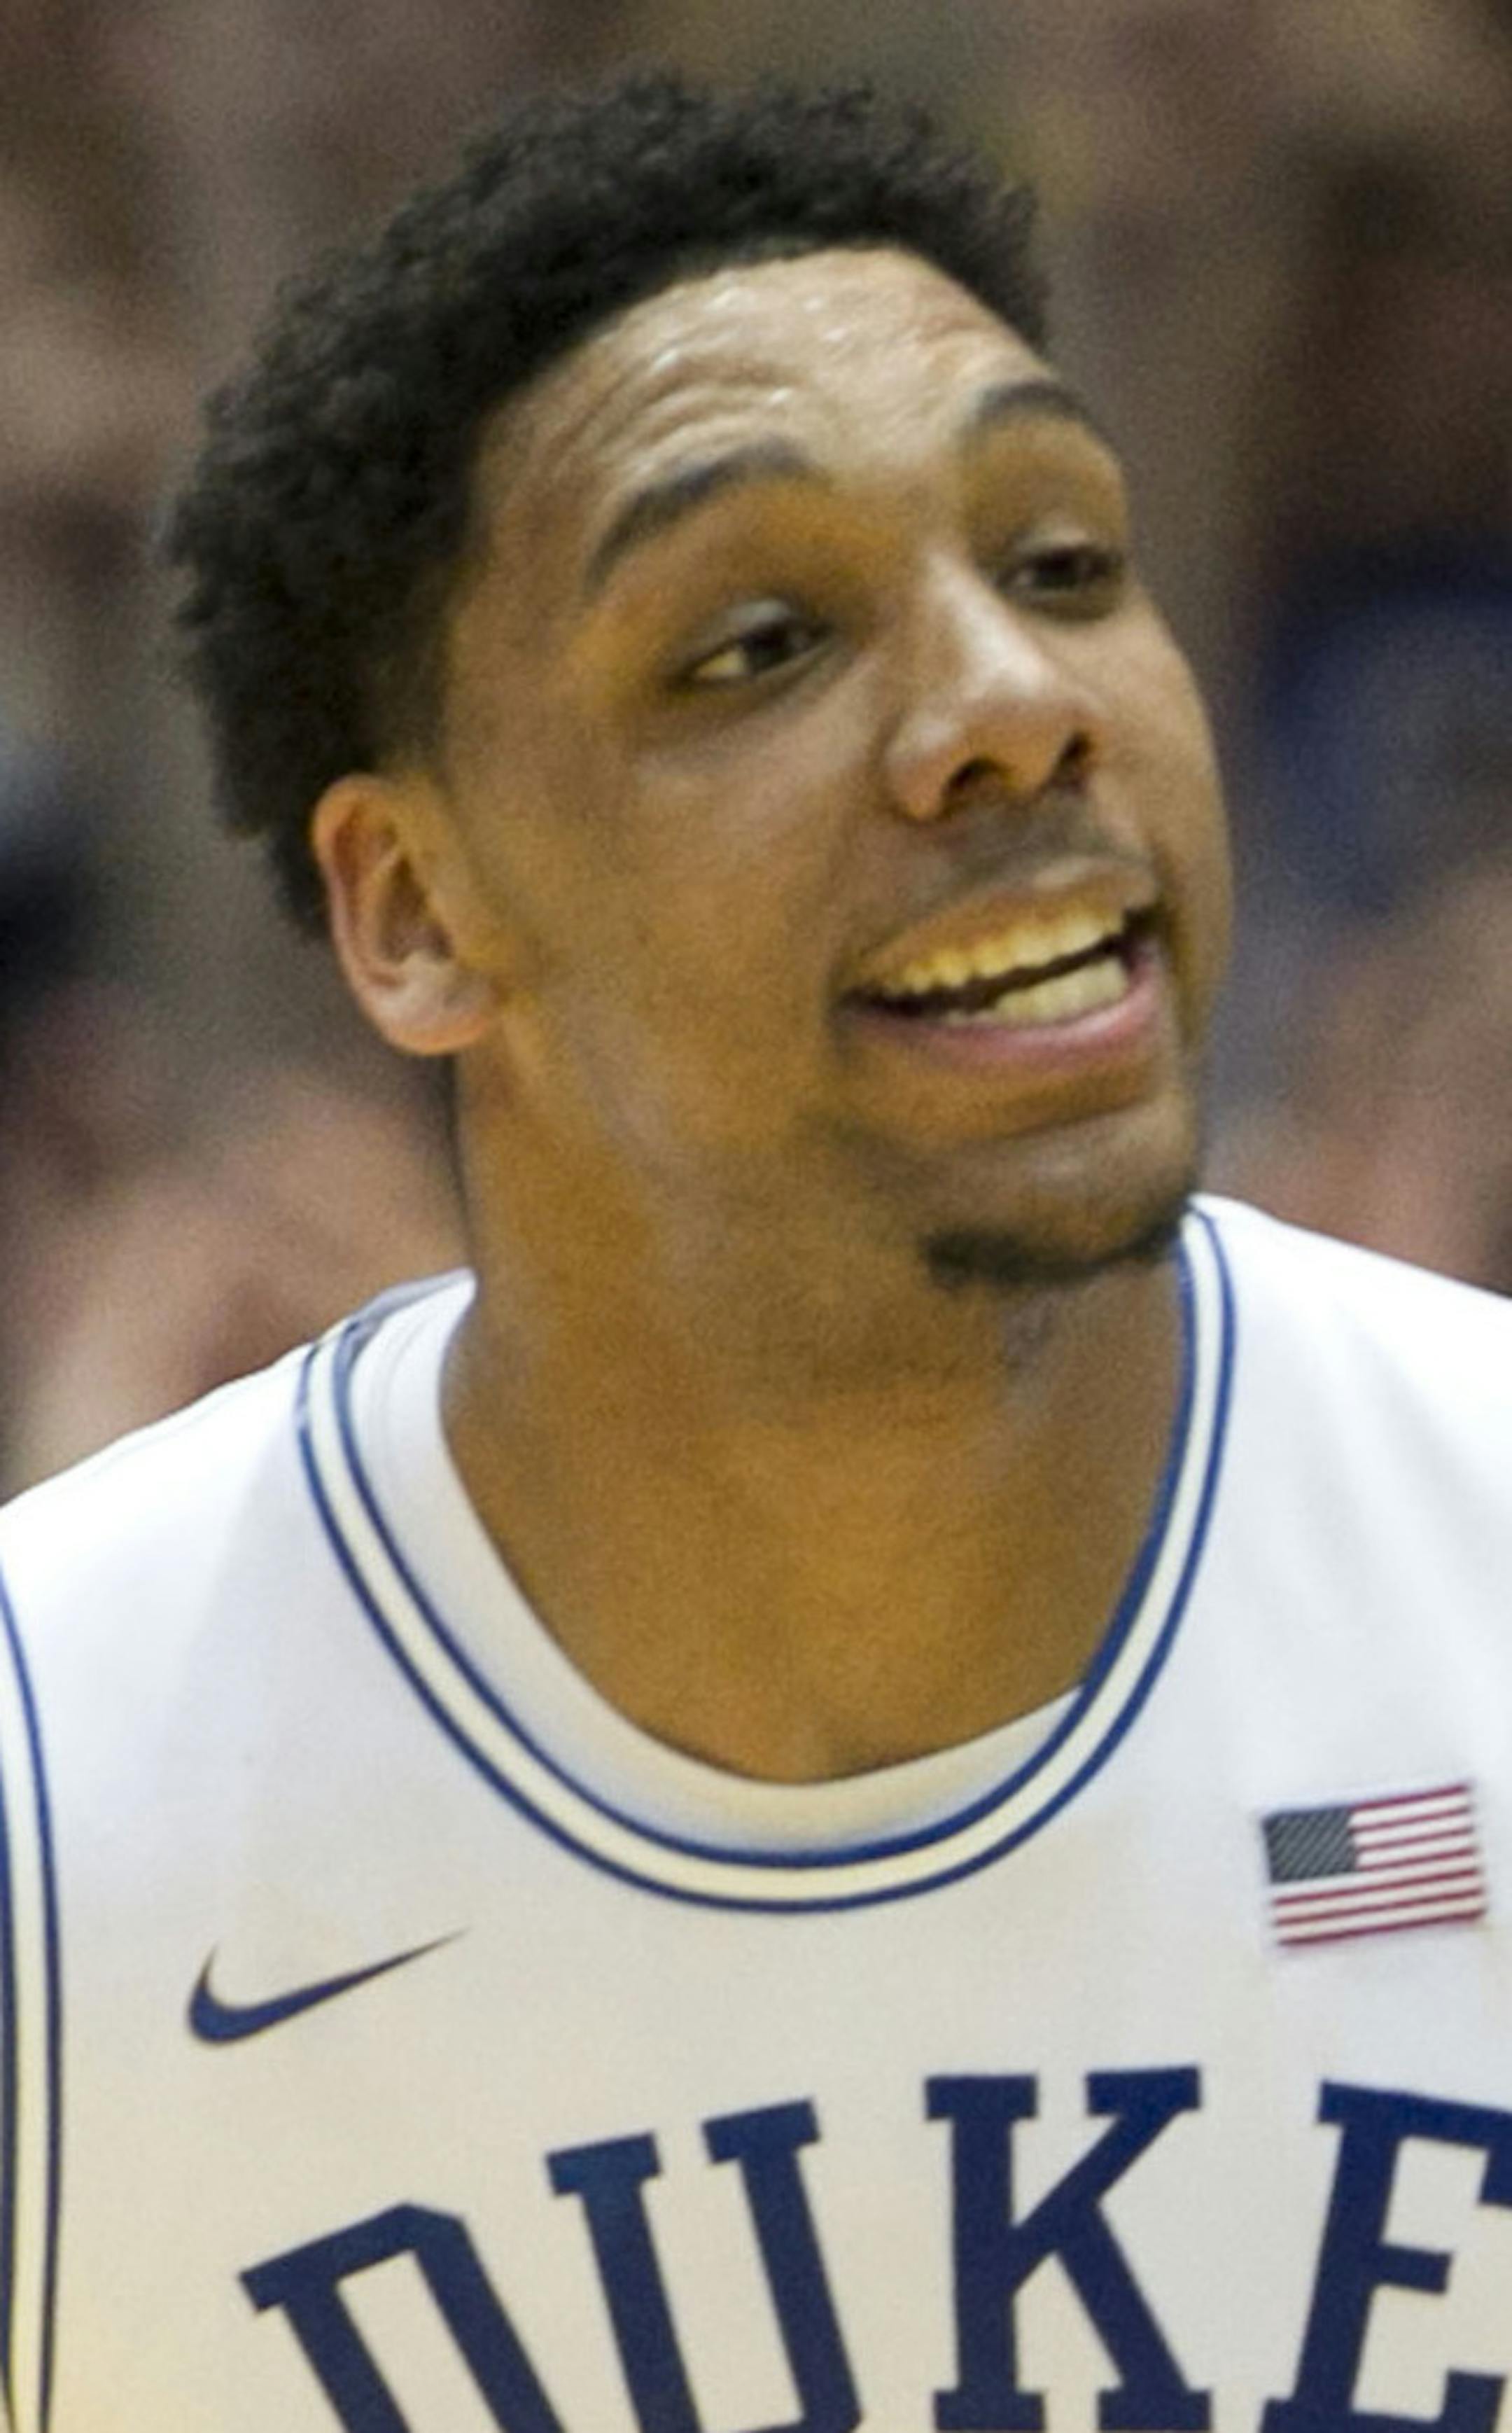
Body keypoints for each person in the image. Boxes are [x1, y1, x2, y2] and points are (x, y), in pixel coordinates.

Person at [0, 76, 1508, 2433]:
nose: (1015, 708)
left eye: (1064, 561)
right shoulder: (55, 1792)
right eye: (762, 642)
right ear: (414, 909)